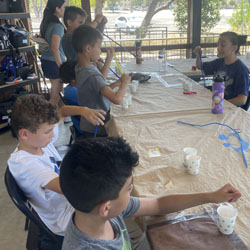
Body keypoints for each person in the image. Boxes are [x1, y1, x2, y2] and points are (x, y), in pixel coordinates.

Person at [59, 137, 242, 250]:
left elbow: (158, 204)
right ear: (106, 207)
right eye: (129, 188)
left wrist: (211, 196)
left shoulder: (100, 213)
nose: (131, 192)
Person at [8, 94, 106, 250]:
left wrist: (84, 111)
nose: (53, 135)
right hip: (63, 219)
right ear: (24, 134)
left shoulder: (38, 142)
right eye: (48, 131)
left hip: (67, 203)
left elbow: (62, 112)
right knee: (116, 207)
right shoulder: (25, 165)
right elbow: (68, 187)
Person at [71, 24, 131, 138]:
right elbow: (117, 99)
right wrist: (124, 83)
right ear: (88, 48)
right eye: (98, 47)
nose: (100, 51)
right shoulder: (91, 73)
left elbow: (100, 82)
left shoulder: (82, 66)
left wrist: (109, 59)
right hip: (97, 128)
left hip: (89, 124)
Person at [194, 31, 249, 107]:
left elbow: (242, 100)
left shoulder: (241, 70)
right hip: (217, 104)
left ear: (234, 48)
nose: (218, 48)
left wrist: (220, 104)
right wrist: (198, 55)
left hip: (230, 110)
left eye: (223, 45)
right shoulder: (219, 62)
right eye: (218, 45)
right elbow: (200, 66)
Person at [62, 6, 112, 79]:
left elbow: (92, 37)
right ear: (69, 22)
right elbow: (87, 30)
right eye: (80, 22)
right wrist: (96, 21)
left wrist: (94, 59)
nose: (83, 26)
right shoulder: (70, 38)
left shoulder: (72, 38)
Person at [40, 0, 66, 105]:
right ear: (57, 9)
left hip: (47, 60)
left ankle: (61, 118)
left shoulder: (47, 23)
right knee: (55, 96)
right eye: (64, 7)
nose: (65, 10)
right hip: (54, 62)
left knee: (58, 93)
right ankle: (49, 120)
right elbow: (54, 47)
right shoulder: (57, 26)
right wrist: (61, 66)